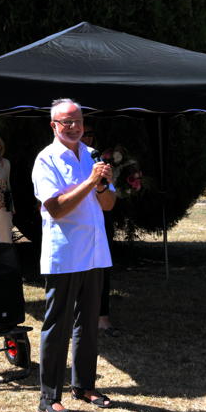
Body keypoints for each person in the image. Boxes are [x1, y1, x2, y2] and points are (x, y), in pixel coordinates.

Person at [31, 99, 116, 412]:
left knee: (89, 323)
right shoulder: (47, 159)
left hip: (94, 252)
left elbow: (108, 204)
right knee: (58, 325)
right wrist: (90, 183)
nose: (74, 126)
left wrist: (103, 185)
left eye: (78, 120)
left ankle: (84, 386)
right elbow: (56, 208)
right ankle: (49, 396)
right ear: (53, 125)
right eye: (66, 122)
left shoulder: (92, 156)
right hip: (65, 254)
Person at [82, 125, 120, 337]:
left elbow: (109, 200)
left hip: (101, 223)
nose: (85, 137)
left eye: (89, 133)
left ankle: (102, 317)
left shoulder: (100, 161)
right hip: (77, 227)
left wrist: (102, 186)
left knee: (102, 270)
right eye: (83, 133)